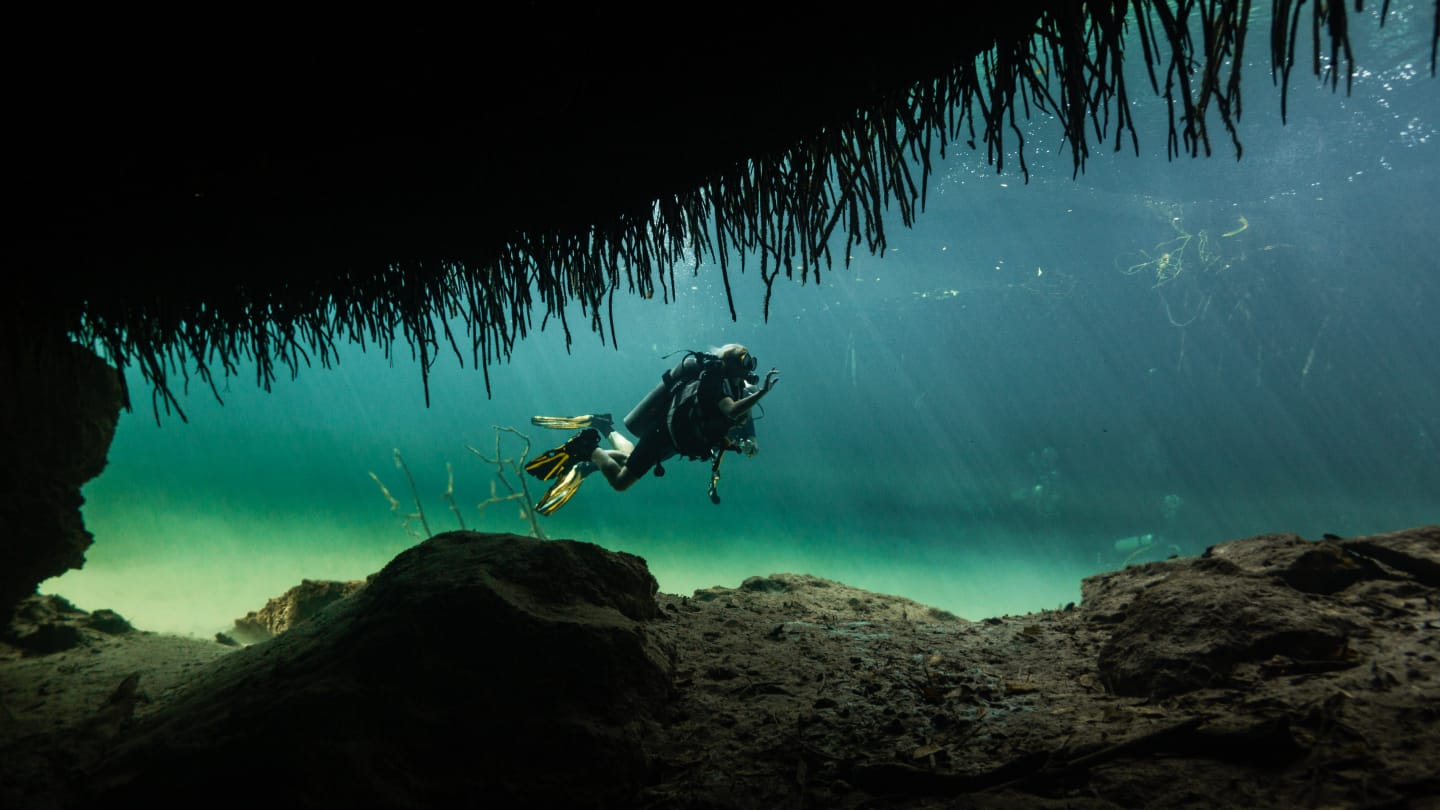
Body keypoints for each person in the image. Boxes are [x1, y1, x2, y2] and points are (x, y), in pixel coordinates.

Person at [525, 343, 779, 514]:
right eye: (746, 360)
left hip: (676, 438)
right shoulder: (716, 382)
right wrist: (764, 392)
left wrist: (750, 438)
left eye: (751, 361)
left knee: (630, 458)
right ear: (730, 363)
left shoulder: (735, 385)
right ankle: (589, 450)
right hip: (664, 436)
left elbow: (740, 417)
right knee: (621, 482)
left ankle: (603, 426)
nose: (750, 367)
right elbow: (731, 410)